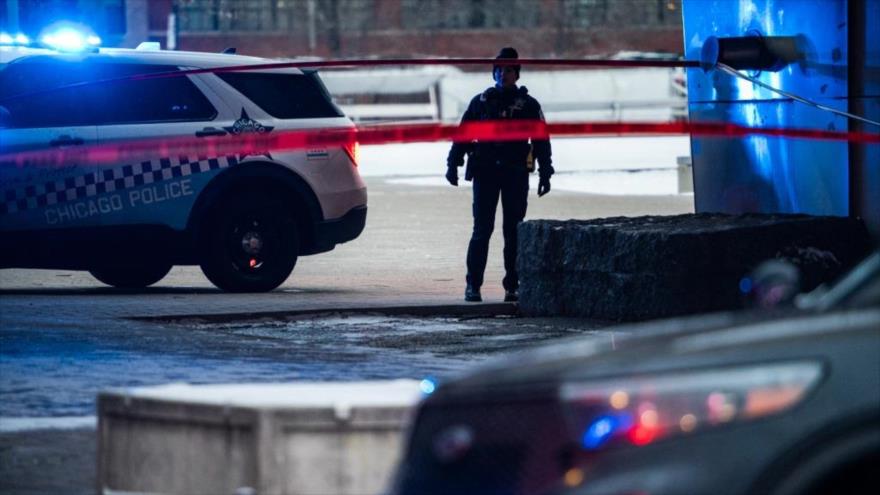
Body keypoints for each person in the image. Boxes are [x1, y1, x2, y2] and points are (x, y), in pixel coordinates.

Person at [446, 46, 553, 302]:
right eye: (498, 70)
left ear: (516, 74)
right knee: (481, 230)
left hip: (515, 173)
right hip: (485, 172)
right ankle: (473, 285)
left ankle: (512, 285)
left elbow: (541, 141)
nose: (502, 75)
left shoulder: (528, 105)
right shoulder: (481, 102)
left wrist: (546, 172)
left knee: (513, 231)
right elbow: (463, 135)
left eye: (507, 70)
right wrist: (453, 162)